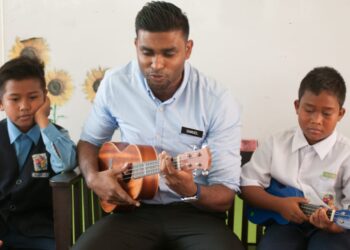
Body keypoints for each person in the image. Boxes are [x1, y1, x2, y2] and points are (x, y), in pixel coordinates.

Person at [75, 1, 244, 250]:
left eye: (168, 53)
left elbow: (225, 196)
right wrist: (92, 178)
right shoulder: (115, 83)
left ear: (188, 49)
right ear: (136, 46)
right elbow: (90, 140)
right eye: (147, 52)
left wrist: (192, 189)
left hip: (194, 214)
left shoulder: (217, 100)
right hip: (132, 211)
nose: (156, 64)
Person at [240, 66, 350, 250]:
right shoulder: (276, 143)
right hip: (285, 225)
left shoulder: (346, 154)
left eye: (326, 113)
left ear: (340, 114)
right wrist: (279, 205)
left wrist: (333, 224)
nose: (316, 120)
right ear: (297, 106)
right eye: (309, 110)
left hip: (332, 232)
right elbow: (248, 185)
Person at [0, 57, 77, 249]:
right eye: (15, 99)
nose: (25, 106)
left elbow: (66, 164)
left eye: (33, 97)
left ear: (45, 97)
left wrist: (43, 121)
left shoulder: (55, 136)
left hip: (40, 231)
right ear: (1, 103)